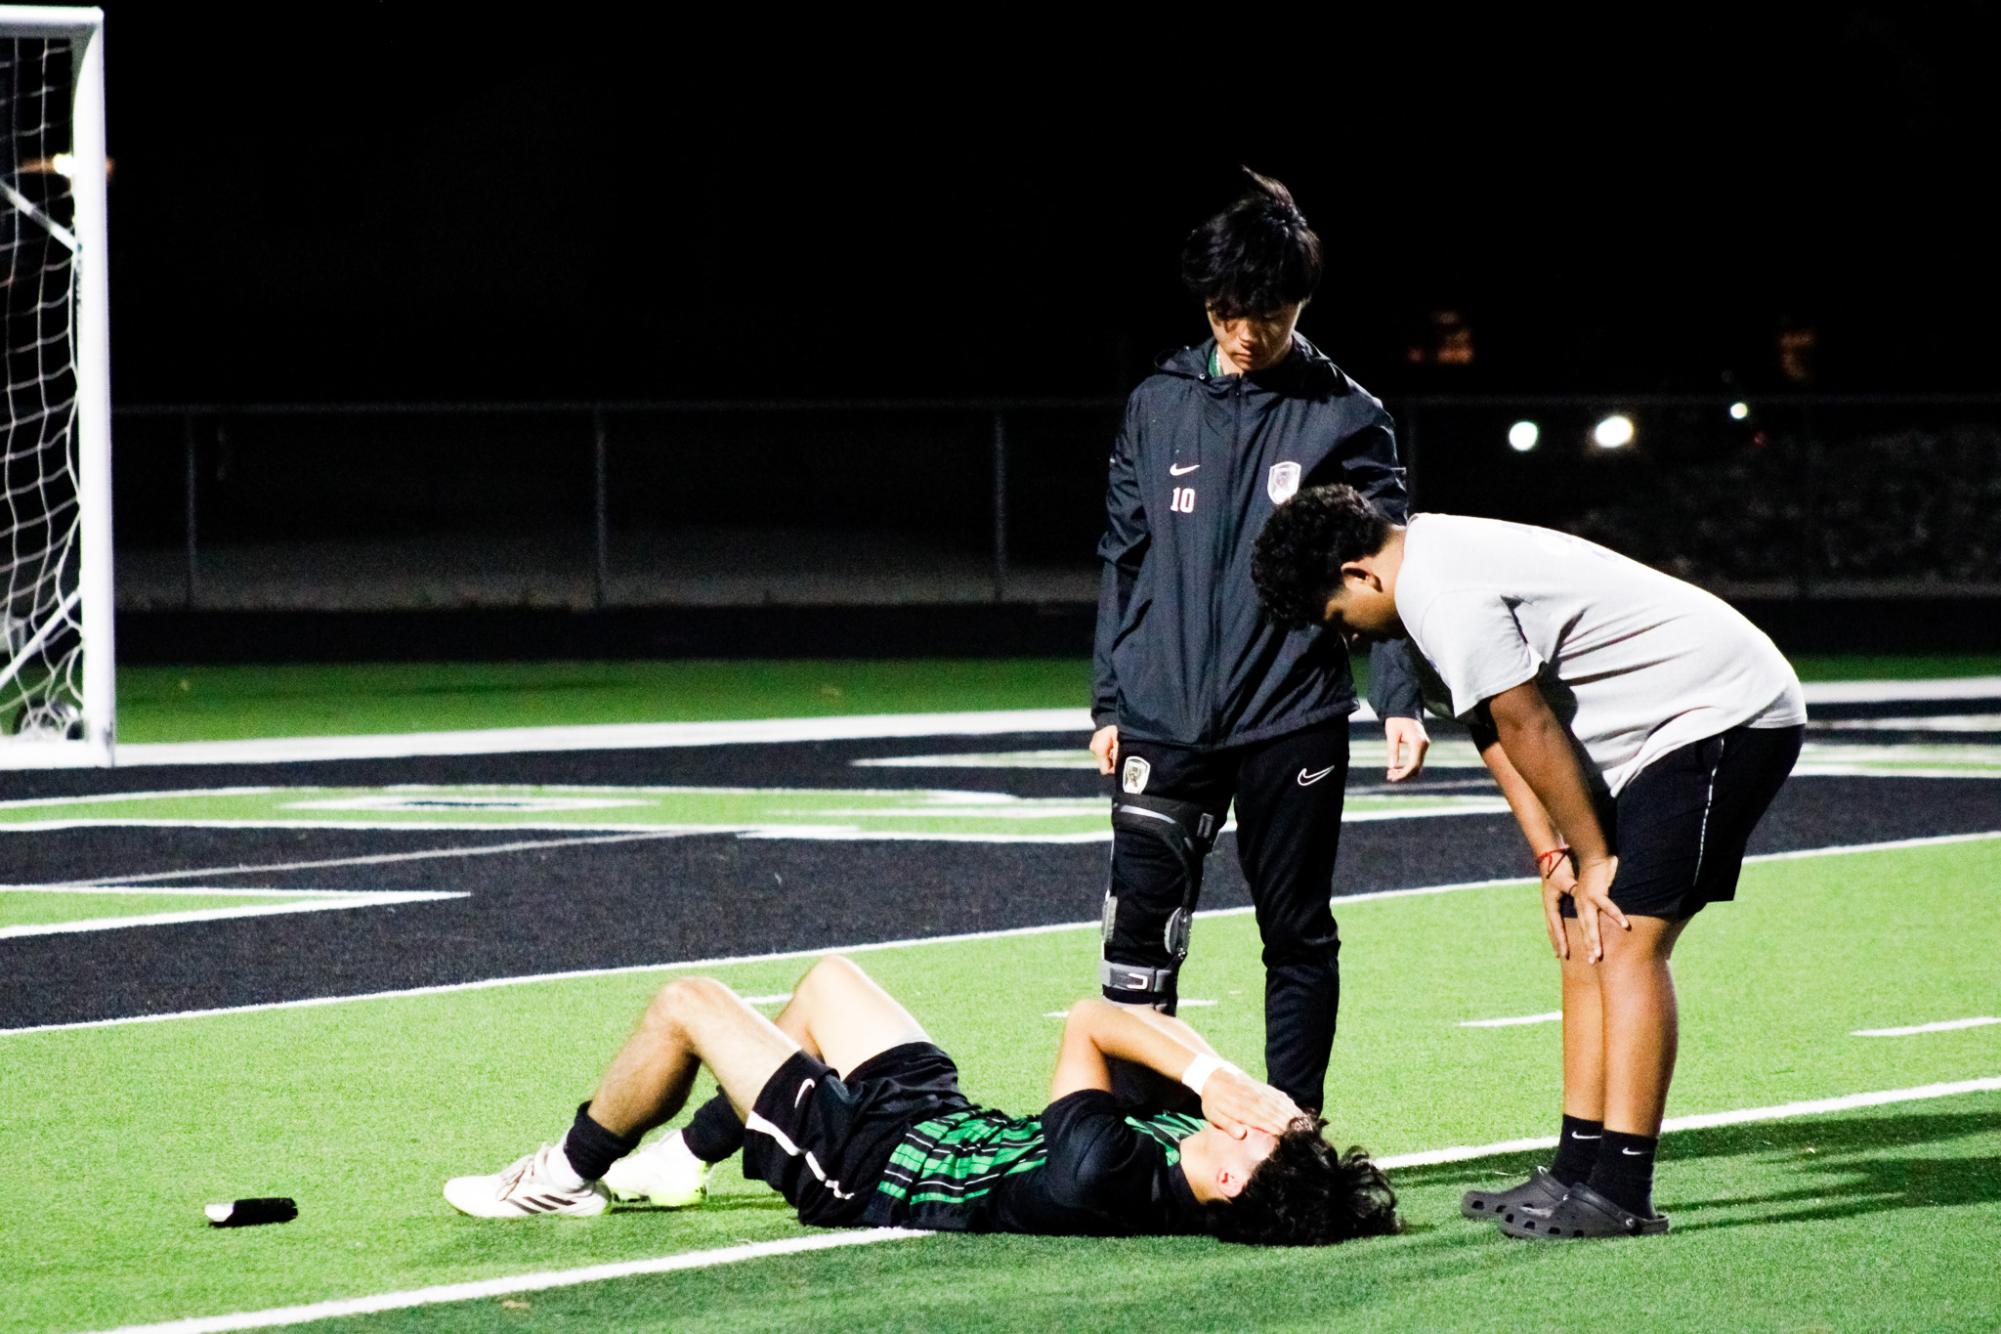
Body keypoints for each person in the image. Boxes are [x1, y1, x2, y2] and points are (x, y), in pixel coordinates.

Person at [1250, 484, 1805, 1240]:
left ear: (1358, 574)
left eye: (1339, 620)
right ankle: (1577, 1168)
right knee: (1585, 935)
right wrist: (1554, 855)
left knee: (1628, 938)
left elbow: (1525, 717)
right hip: (1653, 733)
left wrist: (1596, 854)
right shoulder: (1419, 577)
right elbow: (1493, 730)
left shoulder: (1440, 591)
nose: (1349, 639)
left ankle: (1620, 1192)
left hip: (1722, 712)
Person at [1089, 167, 1429, 1115]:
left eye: (1268, 314)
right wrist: (1109, 701)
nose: (1244, 333)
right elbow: (1123, 555)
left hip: (1292, 718)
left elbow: (1392, 564)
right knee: (1140, 935)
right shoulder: (1155, 402)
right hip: (1162, 714)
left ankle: (1294, 1129)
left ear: (1302, 302)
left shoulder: (1347, 415)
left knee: (1295, 932)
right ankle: (1140, 1134)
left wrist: (1397, 697)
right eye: (1227, 310)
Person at [444, 955, 1401, 1246]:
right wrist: (1242, 1091)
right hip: (940, 1125)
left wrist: (1213, 1077)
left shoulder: (1102, 1172)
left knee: (687, 1005)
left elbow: (1089, 1019)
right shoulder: (1202, 1158)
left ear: (1229, 1179)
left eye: (1252, 1134)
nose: (1240, 1117)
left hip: (867, 1169)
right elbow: (1161, 1032)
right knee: (827, 985)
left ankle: (563, 1175)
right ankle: (689, 1160)